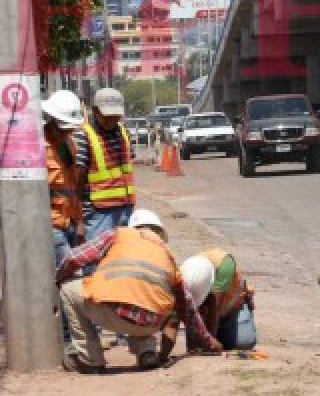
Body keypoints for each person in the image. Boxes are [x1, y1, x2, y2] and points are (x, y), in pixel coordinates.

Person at [57, 209, 222, 374]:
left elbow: (73, 258)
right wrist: (208, 341)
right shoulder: (167, 254)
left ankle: (90, 359)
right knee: (145, 297)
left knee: (68, 289)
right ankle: (147, 352)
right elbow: (188, 307)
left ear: (133, 227)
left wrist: (59, 277)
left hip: (115, 313)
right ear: (159, 232)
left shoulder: (118, 235)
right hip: (153, 323)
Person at [74, 88, 136, 255]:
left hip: (126, 207)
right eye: (108, 116)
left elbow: (128, 164)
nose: (112, 120)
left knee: (123, 257)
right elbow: (78, 177)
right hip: (98, 212)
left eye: (116, 116)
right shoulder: (84, 134)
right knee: (97, 260)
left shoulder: (124, 132)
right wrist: (79, 217)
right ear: (95, 111)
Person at [40, 90, 84, 269]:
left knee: (64, 275)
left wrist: (79, 221)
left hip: (70, 222)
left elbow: (74, 186)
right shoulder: (38, 147)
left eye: (70, 128)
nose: (67, 132)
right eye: (63, 128)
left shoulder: (70, 144)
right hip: (51, 224)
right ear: (52, 121)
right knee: (68, 272)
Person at [182, 249, 257, 351]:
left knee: (244, 342)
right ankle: (217, 334)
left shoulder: (224, 264)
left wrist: (209, 343)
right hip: (207, 312)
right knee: (199, 342)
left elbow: (215, 306)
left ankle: (221, 331)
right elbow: (187, 309)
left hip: (232, 308)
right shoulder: (189, 270)